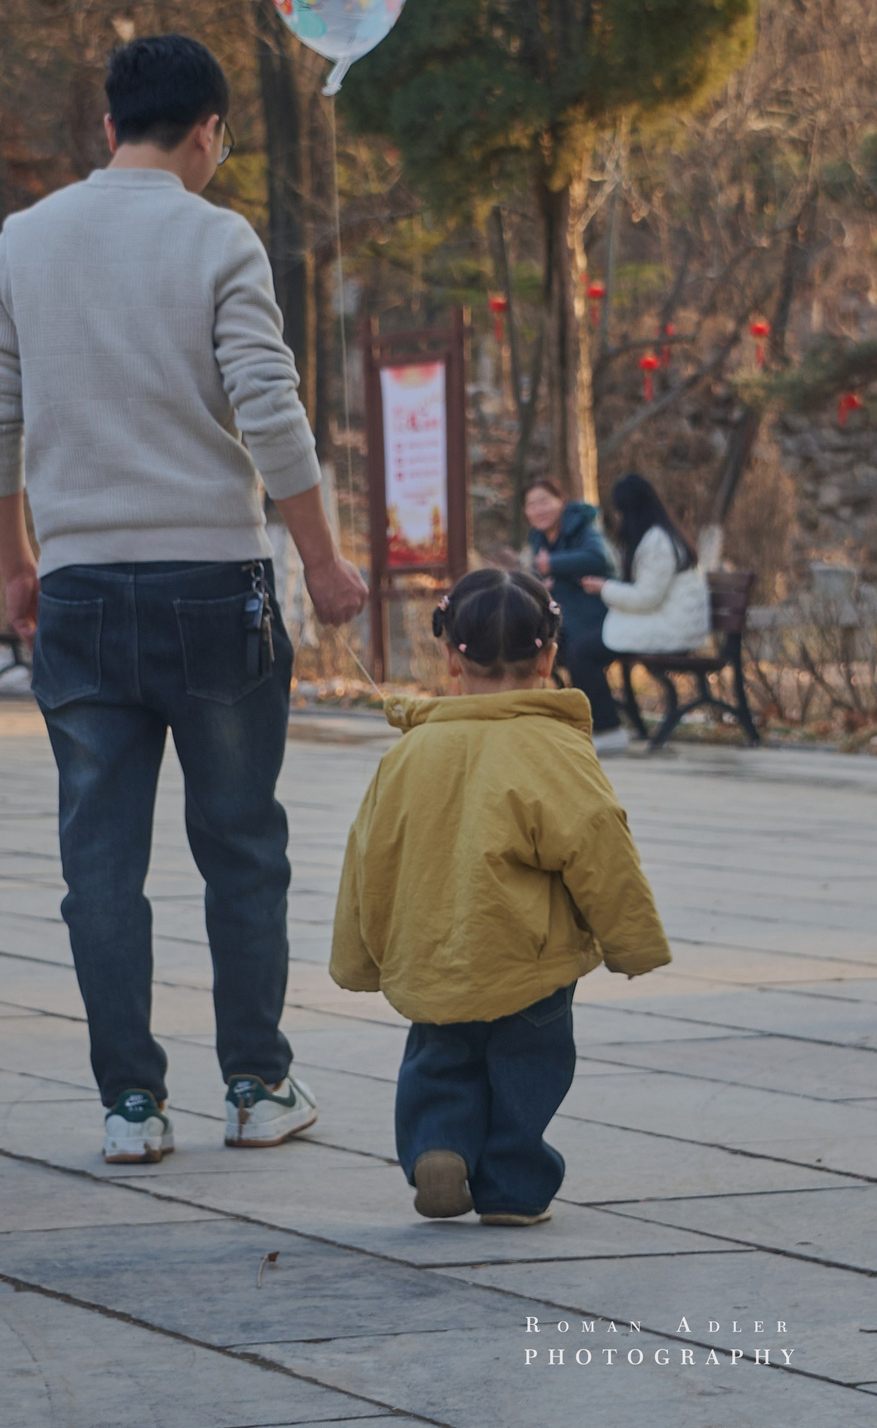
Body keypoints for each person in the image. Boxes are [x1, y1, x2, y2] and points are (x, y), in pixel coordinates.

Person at [0, 33, 369, 1166]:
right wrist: (324, 561)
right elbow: (270, 409)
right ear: (209, 133)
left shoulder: (22, 241)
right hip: (213, 588)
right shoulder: (217, 237)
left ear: (108, 128)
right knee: (239, 843)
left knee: (99, 861)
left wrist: (17, 562)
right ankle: (255, 1083)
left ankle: (130, 1104)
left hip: (82, 588)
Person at [330, 569, 672, 1226]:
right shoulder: (553, 748)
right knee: (529, 1064)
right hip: (529, 958)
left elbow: (369, 855)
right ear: (549, 655)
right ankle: (513, 1184)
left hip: (434, 950)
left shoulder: (411, 752)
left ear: (450, 656)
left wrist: (359, 957)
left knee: (439, 1057)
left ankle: (438, 1145)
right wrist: (633, 941)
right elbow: (600, 847)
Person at [523, 478, 626, 755]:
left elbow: (599, 558)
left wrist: (552, 565)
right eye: (531, 504)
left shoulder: (583, 524)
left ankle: (607, 729)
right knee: (529, 647)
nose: (538, 509)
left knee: (578, 652)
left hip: (602, 619)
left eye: (544, 500)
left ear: (562, 502)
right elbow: (538, 574)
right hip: (568, 620)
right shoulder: (538, 537)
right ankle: (533, 723)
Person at [589, 472, 710, 660]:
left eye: (619, 511)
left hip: (675, 630)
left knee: (581, 652)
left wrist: (604, 588)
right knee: (587, 642)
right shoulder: (660, 535)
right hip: (673, 622)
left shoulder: (658, 543)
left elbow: (646, 598)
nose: (618, 517)